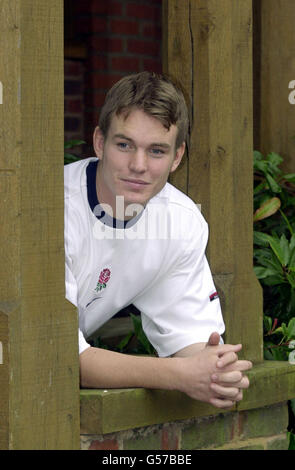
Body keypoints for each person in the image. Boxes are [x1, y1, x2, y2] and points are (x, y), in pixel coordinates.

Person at [65, 71, 252, 409]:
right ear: (98, 143)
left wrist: (214, 370)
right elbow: (57, 359)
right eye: (124, 145)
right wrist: (179, 375)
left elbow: (192, 340)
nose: (138, 165)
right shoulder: (52, 213)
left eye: (156, 151)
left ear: (177, 157)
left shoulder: (179, 221)